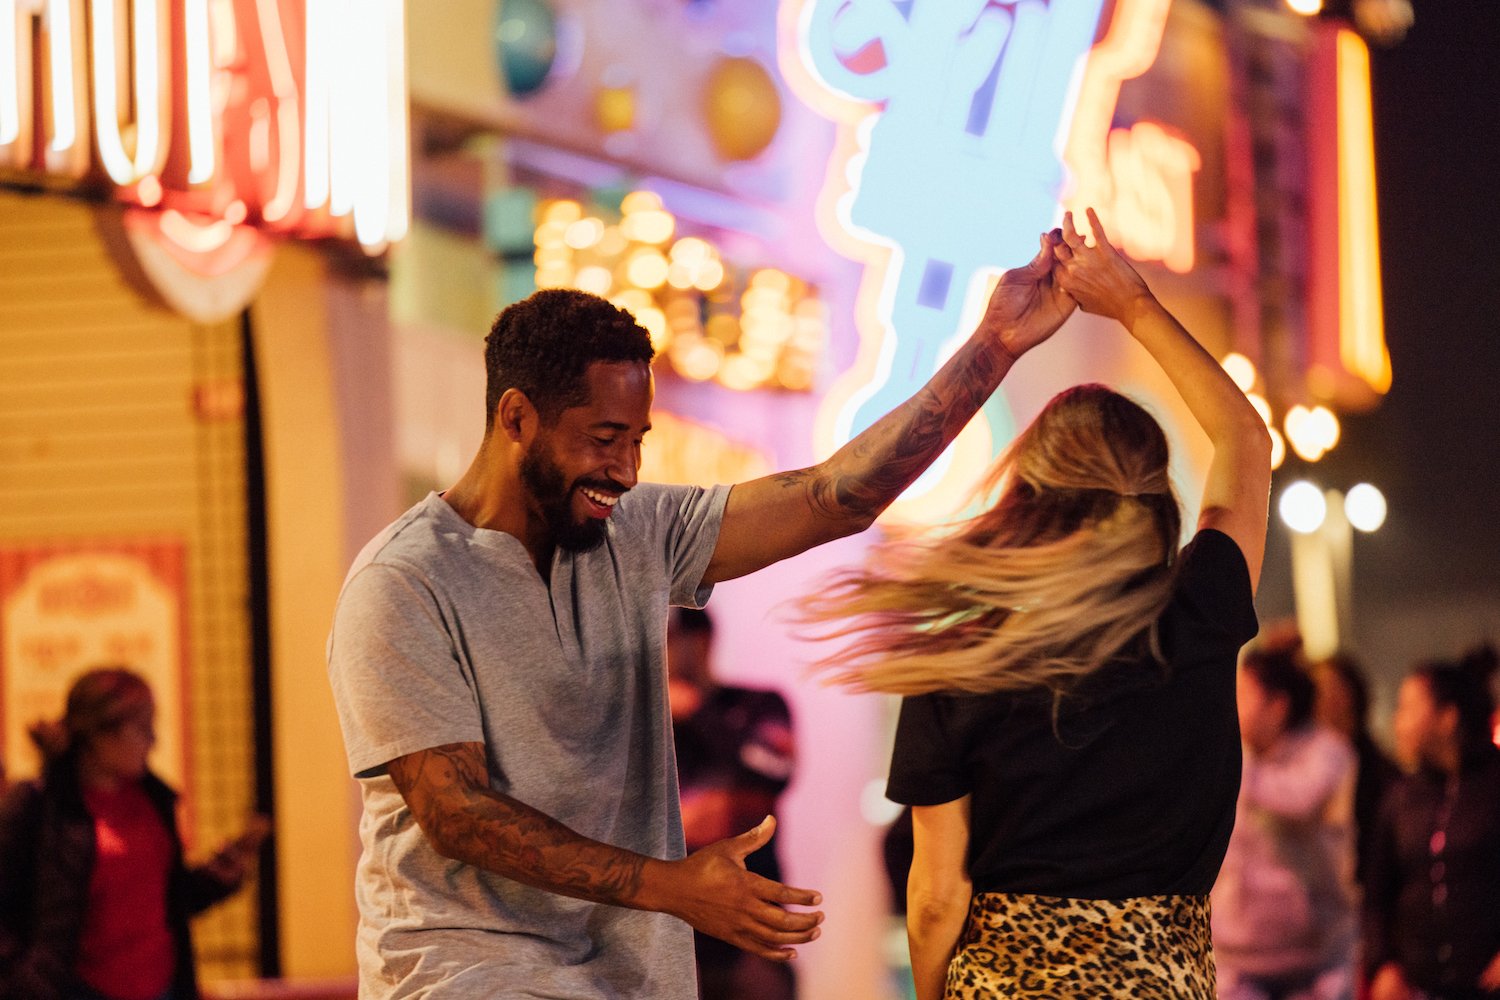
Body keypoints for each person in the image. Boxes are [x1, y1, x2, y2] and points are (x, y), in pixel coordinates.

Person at [326, 228, 1079, 998]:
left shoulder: (638, 532)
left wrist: (994, 345)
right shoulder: (406, 583)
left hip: (630, 981)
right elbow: (458, 813)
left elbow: (833, 497)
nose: (625, 469)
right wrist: (671, 886)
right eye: (604, 438)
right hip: (469, 978)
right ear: (516, 418)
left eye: (639, 440)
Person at [803, 208, 1272, 1000]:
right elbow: (1245, 442)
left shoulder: (959, 652)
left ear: (1027, 495)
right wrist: (1134, 305)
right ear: (1155, 497)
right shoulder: (1200, 608)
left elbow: (936, 898)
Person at [0, 667, 269, 1000]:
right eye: (142, 728)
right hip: (79, 989)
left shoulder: (152, 799)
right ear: (100, 733)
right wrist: (24, 983)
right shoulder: (40, 804)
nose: (153, 740)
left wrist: (217, 878)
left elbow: (160, 901)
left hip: (162, 987)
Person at [1212, 644, 1360, 1000]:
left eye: (1244, 693)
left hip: (1315, 958)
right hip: (1237, 955)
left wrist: (1229, 760)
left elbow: (1298, 801)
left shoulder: (1327, 752)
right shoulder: (1241, 756)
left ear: (1277, 707)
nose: (1232, 703)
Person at [667, 607, 796, 1000]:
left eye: (667, 641)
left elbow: (775, 769)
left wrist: (697, 710)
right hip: (672, 918)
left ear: (699, 641)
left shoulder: (759, 704)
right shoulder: (648, 722)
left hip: (751, 904)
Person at [1365, 646, 1500, 1000]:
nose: (1397, 721)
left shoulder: (1493, 783)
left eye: (1408, 708)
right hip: (1418, 987)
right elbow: (1378, 894)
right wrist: (1383, 965)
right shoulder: (1401, 796)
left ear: (1447, 717)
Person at [1312, 651, 1400, 887]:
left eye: (1334, 689)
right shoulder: (1305, 767)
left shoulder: (1378, 769)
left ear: (1354, 695)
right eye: (1318, 690)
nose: (1326, 699)